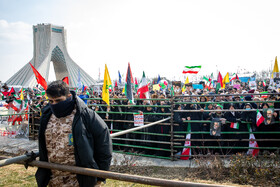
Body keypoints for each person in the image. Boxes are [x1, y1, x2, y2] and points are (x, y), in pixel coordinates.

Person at [35, 80, 112, 187]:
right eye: (51, 101)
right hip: (53, 180)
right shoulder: (47, 115)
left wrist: (100, 176)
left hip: (80, 181)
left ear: (69, 96)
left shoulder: (86, 116)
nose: (54, 105)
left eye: (58, 100)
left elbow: (104, 147)